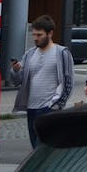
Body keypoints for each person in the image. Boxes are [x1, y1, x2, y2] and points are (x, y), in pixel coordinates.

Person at [9, 14, 74, 148]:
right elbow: (18, 81)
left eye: (39, 35)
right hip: (31, 108)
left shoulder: (62, 53)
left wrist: (56, 105)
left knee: (43, 146)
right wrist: (16, 70)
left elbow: (68, 81)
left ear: (50, 33)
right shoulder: (30, 54)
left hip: (49, 108)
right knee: (35, 147)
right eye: (34, 35)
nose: (36, 38)